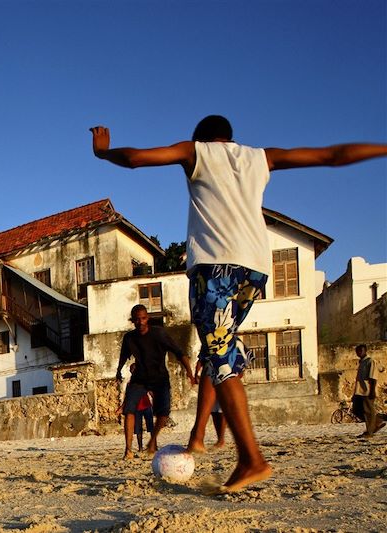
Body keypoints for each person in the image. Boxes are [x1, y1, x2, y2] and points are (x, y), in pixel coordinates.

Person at [91, 115, 387, 492]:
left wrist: (104, 152)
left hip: (214, 268)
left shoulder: (195, 152)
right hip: (254, 271)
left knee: (220, 358)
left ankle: (251, 458)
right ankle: (202, 437)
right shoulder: (260, 158)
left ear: (202, 138)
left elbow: (136, 158)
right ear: (230, 138)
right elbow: (332, 154)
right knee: (220, 353)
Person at [117, 304, 194, 459]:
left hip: (159, 378)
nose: (140, 322)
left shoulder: (159, 334)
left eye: (143, 318)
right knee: (129, 410)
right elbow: (123, 356)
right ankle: (128, 450)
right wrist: (118, 371)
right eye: (137, 319)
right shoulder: (129, 338)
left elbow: (179, 353)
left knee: (163, 413)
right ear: (133, 321)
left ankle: (152, 441)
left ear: (148, 318)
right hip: (139, 379)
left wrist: (190, 373)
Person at [188, 359, 227, 452]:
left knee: (221, 410)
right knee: (214, 411)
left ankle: (220, 439)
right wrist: (196, 373)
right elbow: (201, 359)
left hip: (224, 373)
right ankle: (201, 436)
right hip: (211, 373)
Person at [352, 344, 384, 438]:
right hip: (359, 390)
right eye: (357, 351)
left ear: (365, 351)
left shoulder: (370, 361)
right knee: (356, 410)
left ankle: (369, 431)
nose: (359, 353)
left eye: (361, 351)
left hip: (367, 390)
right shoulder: (362, 362)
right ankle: (377, 421)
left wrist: (372, 390)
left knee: (368, 411)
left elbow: (373, 377)